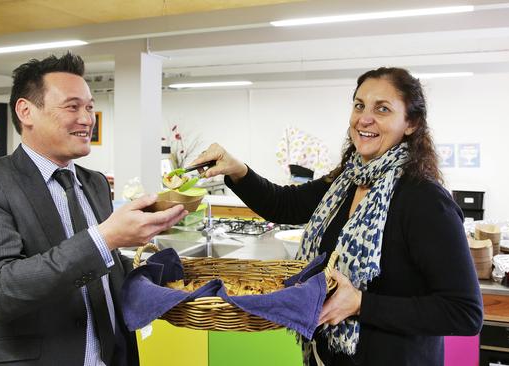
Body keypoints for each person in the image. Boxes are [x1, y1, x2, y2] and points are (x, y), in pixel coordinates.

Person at [191, 67, 483, 365]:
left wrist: (361, 304)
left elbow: (464, 312)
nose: (364, 118)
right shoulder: (345, 181)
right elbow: (285, 205)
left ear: (411, 123)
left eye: (382, 109)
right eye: (359, 105)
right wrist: (238, 170)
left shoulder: (425, 200)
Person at [0, 52, 187, 365]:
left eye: (89, 107)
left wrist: (165, 275)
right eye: (72, 106)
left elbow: (101, 272)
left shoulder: (95, 183)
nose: (88, 118)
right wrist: (105, 238)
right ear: (26, 111)